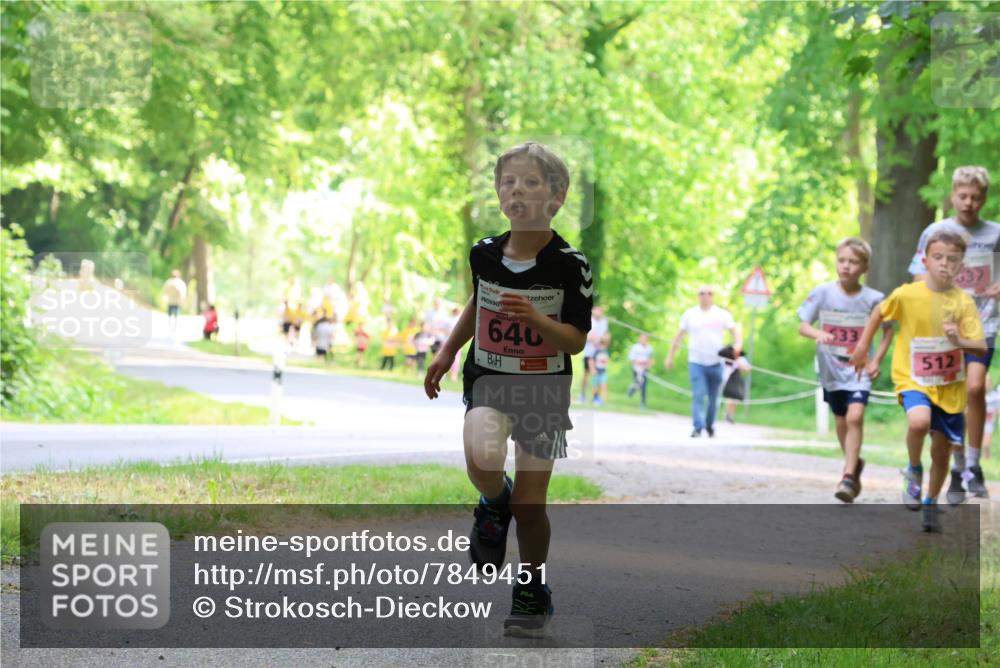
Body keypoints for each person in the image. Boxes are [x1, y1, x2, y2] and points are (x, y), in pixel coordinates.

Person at [423, 142, 592, 636]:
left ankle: (532, 586)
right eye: (508, 182)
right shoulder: (484, 253)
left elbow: (577, 341)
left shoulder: (569, 263)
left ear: (556, 197)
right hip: (490, 381)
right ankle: (493, 501)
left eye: (531, 183)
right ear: (499, 193)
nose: (517, 190)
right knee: (480, 458)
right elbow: (479, 302)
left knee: (532, 506)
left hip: (543, 392)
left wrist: (538, 320)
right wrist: (448, 349)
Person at [851, 230, 986, 532]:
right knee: (918, 423)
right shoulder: (908, 294)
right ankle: (913, 468)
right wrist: (862, 347)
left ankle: (930, 502)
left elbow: (979, 346)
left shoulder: (963, 302)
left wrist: (957, 338)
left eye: (952, 259)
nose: (944, 264)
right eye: (938, 257)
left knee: (941, 451)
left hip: (950, 386)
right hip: (913, 378)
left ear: (961, 265)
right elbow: (879, 312)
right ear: (925, 260)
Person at [907, 166, 996, 502]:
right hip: (943, 328)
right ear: (953, 195)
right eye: (963, 196)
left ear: (984, 198)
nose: (969, 202)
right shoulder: (936, 231)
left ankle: (973, 465)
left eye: (975, 197)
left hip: (982, 325)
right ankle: (958, 466)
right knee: (952, 397)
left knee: (975, 388)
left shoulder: (995, 233)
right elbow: (918, 276)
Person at [797, 238, 894, 503]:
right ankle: (854, 463)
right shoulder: (823, 293)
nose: (846, 266)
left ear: (865, 267)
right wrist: (819, 333)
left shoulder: (874, 299)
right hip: (831, 370)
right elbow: (803, 325)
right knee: (841, 420)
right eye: (842, 260)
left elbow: (888, 331)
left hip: (859, 370)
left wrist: (876, 361)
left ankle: (848, 476)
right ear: (836, 261)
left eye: (853, 262)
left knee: (855, 417)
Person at [666, 285, 742, 438]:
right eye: (701, 293)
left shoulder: (721, 314)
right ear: (698, 296)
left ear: (712, 296)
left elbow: (735, 332)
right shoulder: (690, 314)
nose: (705, 296)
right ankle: (698, 426)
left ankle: (709, 425)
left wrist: (737, 347)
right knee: (699, 393)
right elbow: (679, 336)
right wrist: (670, 356)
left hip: (716, 363)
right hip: (696, 362)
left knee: (714, 398)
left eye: (708, 293)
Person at [579, 305, 609, 402]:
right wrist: (591, 338)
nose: (599, 312)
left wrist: (600, 340)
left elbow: (606, 337)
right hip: (589, 353)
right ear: (593, 311)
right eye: (597, 310)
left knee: (598, 375)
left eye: (601, 310)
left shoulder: (604, 322)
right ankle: (582, 394)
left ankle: (596, 396)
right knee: (586, 374)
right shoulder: (589, 321)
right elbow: (583, 336)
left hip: (599, 354)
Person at [719, 344, 750, 424]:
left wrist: (740, 365)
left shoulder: (741, 358)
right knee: (729, 396)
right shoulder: (725, 356)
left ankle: (730, 415)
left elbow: (748, 368)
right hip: (725, 379)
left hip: (735, 379)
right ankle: (727, 414)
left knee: (734, 397)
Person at [627, 332, 654, 409]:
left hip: (645, 370)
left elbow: (650, 359)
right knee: (637, 385)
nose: (644, 340)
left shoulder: (649, 348)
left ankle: (643, 403)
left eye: (646, 338)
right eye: (643, 338)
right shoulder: (635, 347)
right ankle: (632, 389)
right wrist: (638, 363)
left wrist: (648, 365)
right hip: (637, 369)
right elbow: (631, 359)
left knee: (644, 387)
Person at [590, 333, 611, 406]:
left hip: (603, 372)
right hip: (596, 371)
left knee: (603, 386)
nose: (604, 346)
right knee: (595, 387)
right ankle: (594, 399)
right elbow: (591, 360)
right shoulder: (597, 351)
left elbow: (606, 361)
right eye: (603, 344)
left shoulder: (606, 351)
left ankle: (603, 401)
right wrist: (592, 369)